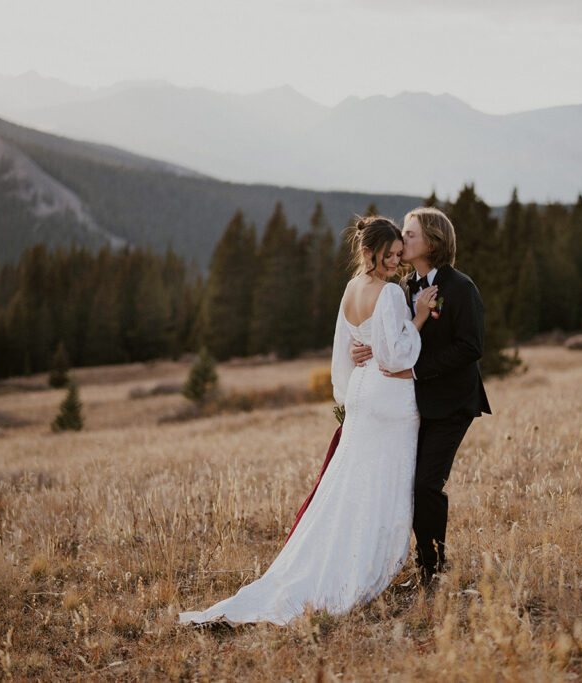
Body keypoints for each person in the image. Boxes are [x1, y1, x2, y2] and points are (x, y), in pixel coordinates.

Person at [179, 216, 436, 627]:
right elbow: (396, 356)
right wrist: (419, 316)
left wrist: (364, 363)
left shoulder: (351, 289)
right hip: (389, 398)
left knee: (351, 483)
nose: (395, 262)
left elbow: (346, 348)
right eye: (388, 256)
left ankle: (330, 557)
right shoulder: (388, 293)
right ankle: (360, 563)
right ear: (368, 252)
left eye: (397, 255)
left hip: (361, 393)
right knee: (381, 483)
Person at [350, 206, 490, 587]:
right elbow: (398, 339)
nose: (402, 238)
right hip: (413, 405)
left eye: (410, 234)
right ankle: (424, 563)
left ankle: (435, 569)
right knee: (407, 484)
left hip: (452, 403)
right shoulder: (404, 287)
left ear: (433, 241)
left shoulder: (461, 288)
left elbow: (471, 346)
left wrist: (415, 371)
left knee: (426, 484)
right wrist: (365, 349)